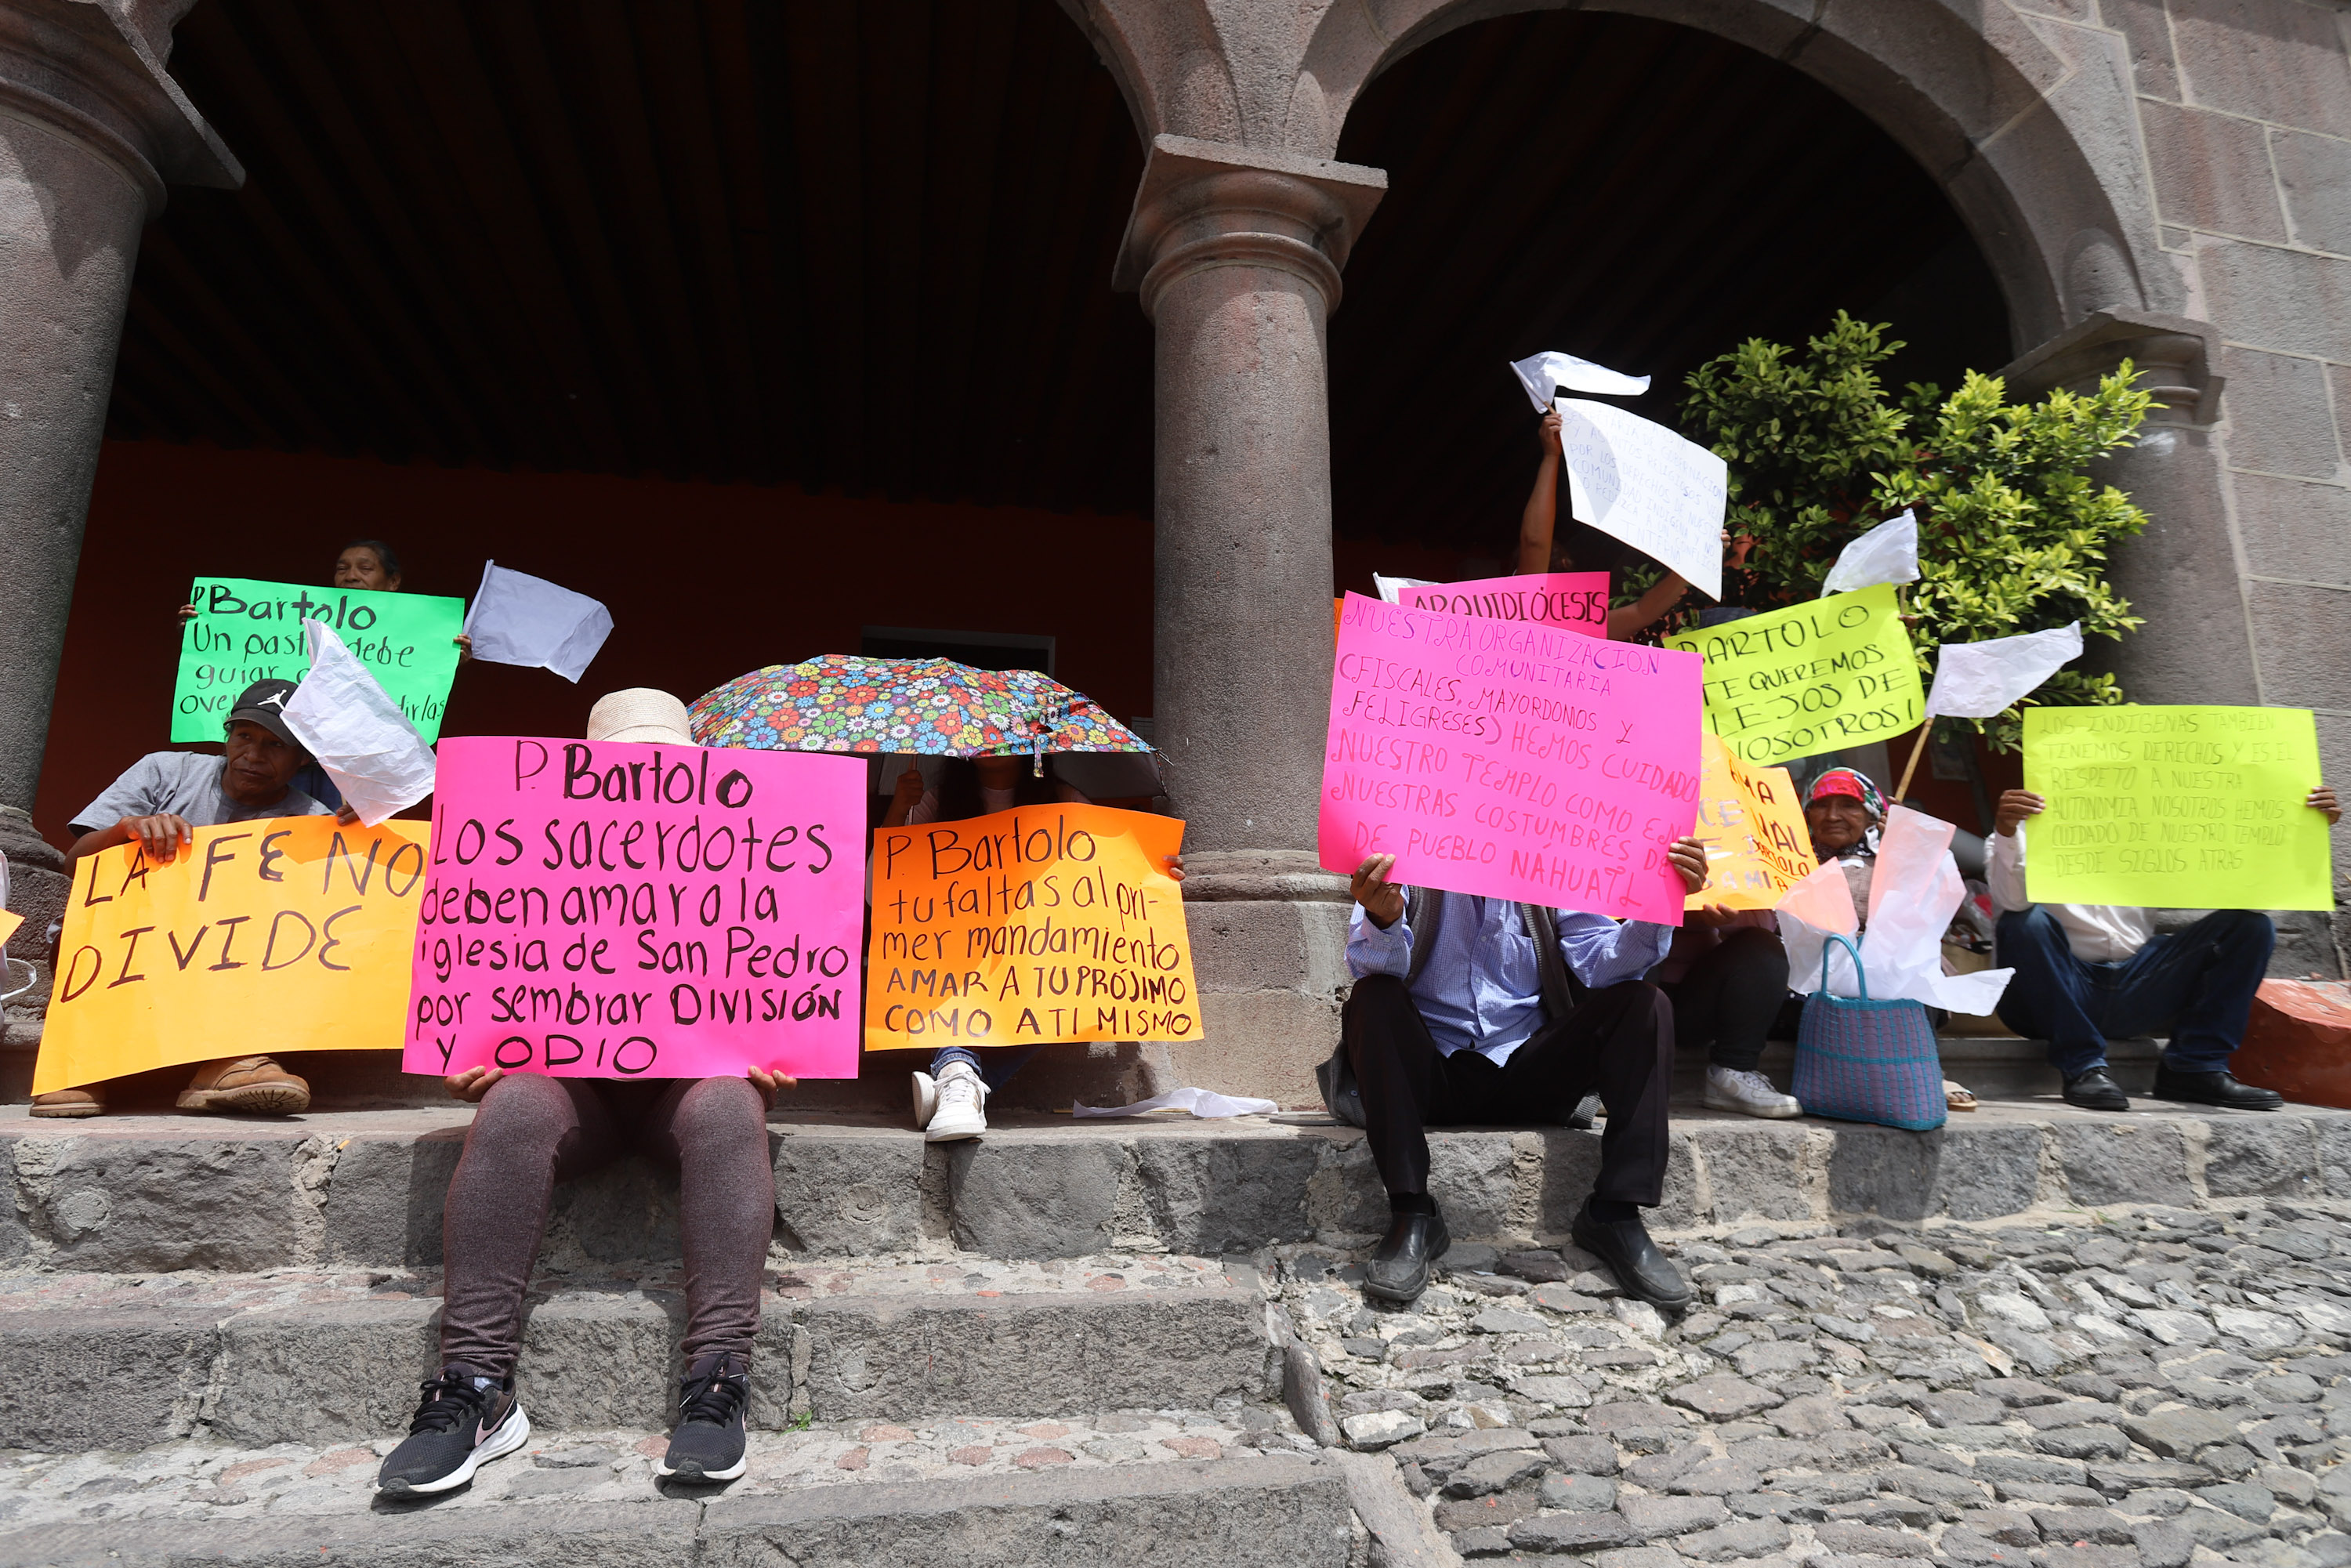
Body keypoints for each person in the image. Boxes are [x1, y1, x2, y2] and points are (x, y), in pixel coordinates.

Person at [376, 689, 786, 1497]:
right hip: (573, 1089)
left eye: (665, 767)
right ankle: (476, 1388)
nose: (649, 781)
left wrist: (771, 1052)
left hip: (686, 1092)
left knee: (732, 1108)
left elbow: (781, 989)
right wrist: (471, 1052)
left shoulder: (747, 857)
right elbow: (474, 976)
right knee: (514, 1106)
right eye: (629, 766)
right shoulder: (514, 853)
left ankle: (717, 1379)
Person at [1338, 836, 1715, 1309]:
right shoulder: (1404, 855)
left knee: (1645, 1004)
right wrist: (1382, 919)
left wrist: (1661, 902)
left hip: (1527, 1070)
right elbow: (1371, 965)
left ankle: (1616, 1212)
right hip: (1432, 1072)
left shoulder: (1551, 858)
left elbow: (1606, 965)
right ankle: (1412, 1211)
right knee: (1372, 999)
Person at [31, 679, 354, 1118]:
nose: (254, 756)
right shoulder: (165, 771)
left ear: (302, 760)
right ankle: (83, 1062)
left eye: (277, 745)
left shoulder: (313, 819)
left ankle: (229, 1062)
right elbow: (75, 864)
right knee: (81, 931)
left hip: (228, 962)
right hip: (129, 949)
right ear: (227, 737)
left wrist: (359, 839)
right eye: (244, 737)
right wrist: (124, 830)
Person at [880, 755, 1183, 1141]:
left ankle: (959, 1077)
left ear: (1031, 740)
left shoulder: (1063, 800)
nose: (995, 742)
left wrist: (1159, 872)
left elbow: (1113, 871)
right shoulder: (935, 801)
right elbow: (879, 889)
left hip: (1035, 954)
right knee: (970, 963)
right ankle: (959, 1075)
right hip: (955, 954)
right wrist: (898, 809)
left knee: (1065, 987)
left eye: (1007, 729)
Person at [1987, 784, 2341, 1112]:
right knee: (2026, 922)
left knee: (2250, 927)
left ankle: (2194, 1068)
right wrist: (2007, 831)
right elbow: (2012, 904)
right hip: (2051, 994)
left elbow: (2250, 892)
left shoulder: (2154, 833)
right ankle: (2082, 1066)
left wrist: (2304, 832)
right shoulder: (2014, 836)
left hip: (2134, 985)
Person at [1516, 407, 1752, 639]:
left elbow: (1642, 612)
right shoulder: (1526, 620)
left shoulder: (1577, 633)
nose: (1560, 567)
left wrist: (1696, 559)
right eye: (1554, 566)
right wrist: (1551, 456)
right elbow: (1535, 542)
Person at [1650, 907, 1798, 1117]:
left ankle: (1733, 1072)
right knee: (1620, 943)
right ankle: (1613, 1074)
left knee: (1764, 944)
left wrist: (1727, 915)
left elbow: (1764, 920)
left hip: (1697, 997)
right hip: (1633, 985)